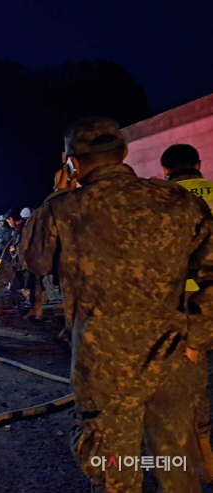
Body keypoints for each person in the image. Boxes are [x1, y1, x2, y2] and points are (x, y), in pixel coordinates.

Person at [20, 116, 213, 492]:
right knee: (176, 460)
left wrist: (55, 195)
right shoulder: (178, 201)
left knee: (116, 467)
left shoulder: (65, 209)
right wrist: (197, 339)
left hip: (104, 367)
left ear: (71, 162)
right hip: (174, 355)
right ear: (124, 152)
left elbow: (33, 261)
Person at [161, 143, 213, 479]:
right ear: (198, 164)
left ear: (166, 170)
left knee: (194, 379)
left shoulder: (160, 199)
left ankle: (204, 455)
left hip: (188, 303)